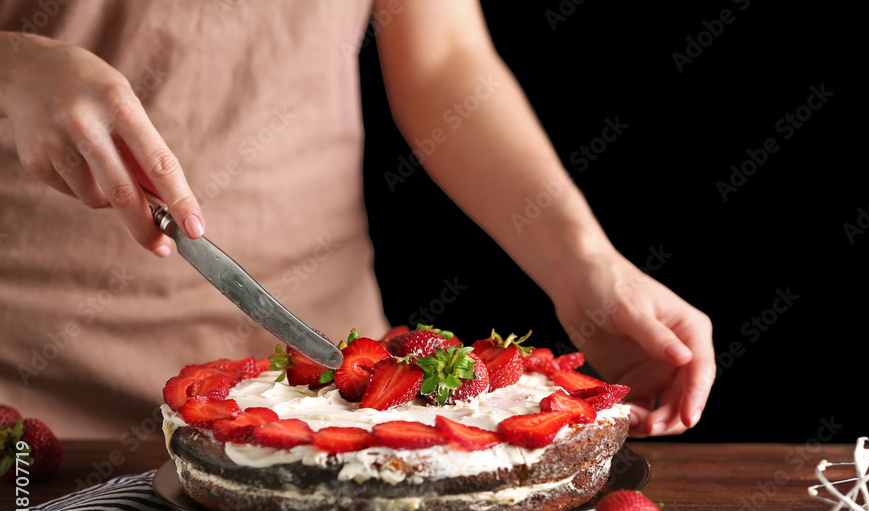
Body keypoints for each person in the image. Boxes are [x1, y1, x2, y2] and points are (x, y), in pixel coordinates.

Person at [0, 0, 714, 441]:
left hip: (330, 393)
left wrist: (582, 261)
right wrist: (14, 62)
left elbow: (442, 58)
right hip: (34, 388)